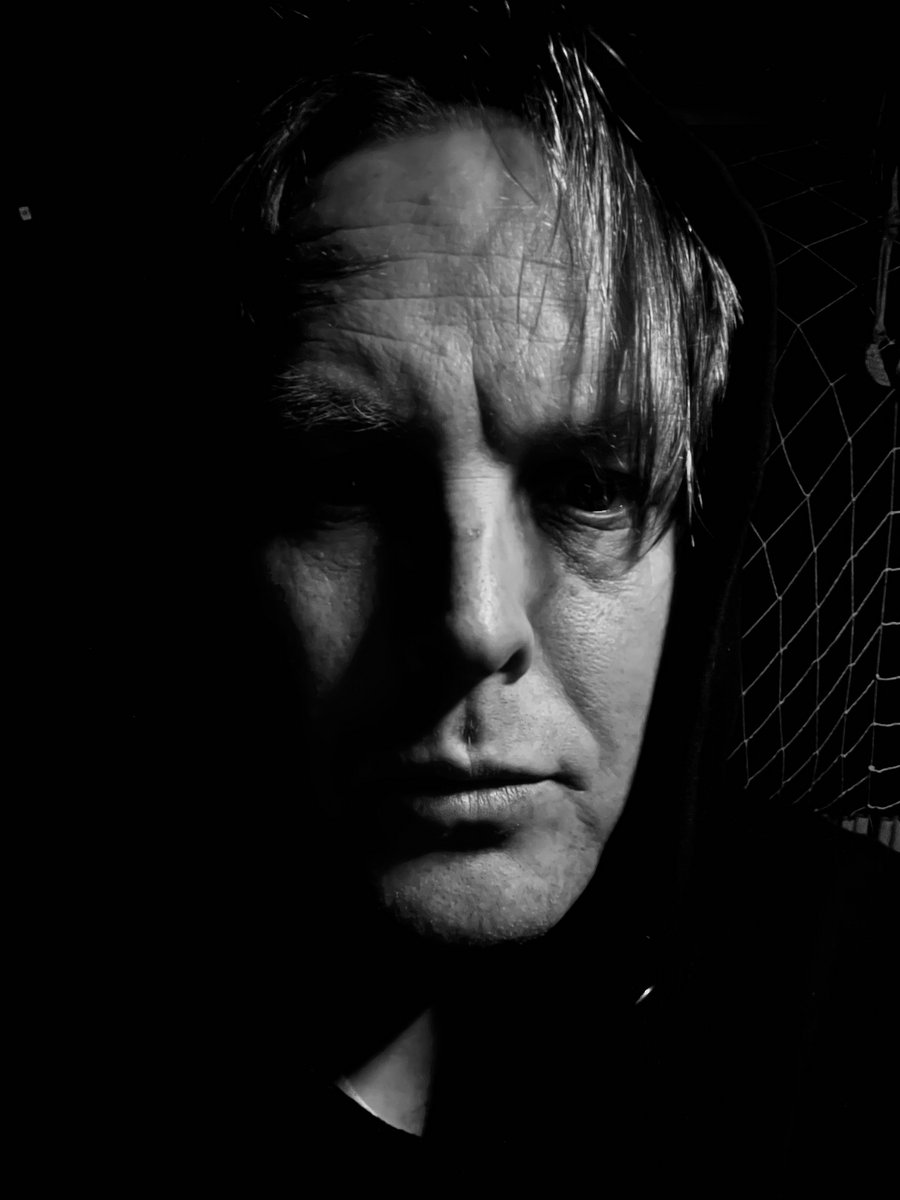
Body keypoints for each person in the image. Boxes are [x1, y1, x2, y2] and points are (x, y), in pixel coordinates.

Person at [180, 8, 897, 1189]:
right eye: (348, 477)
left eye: (585, 485)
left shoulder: (855, 992)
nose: (472, 621)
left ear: (697, 545)